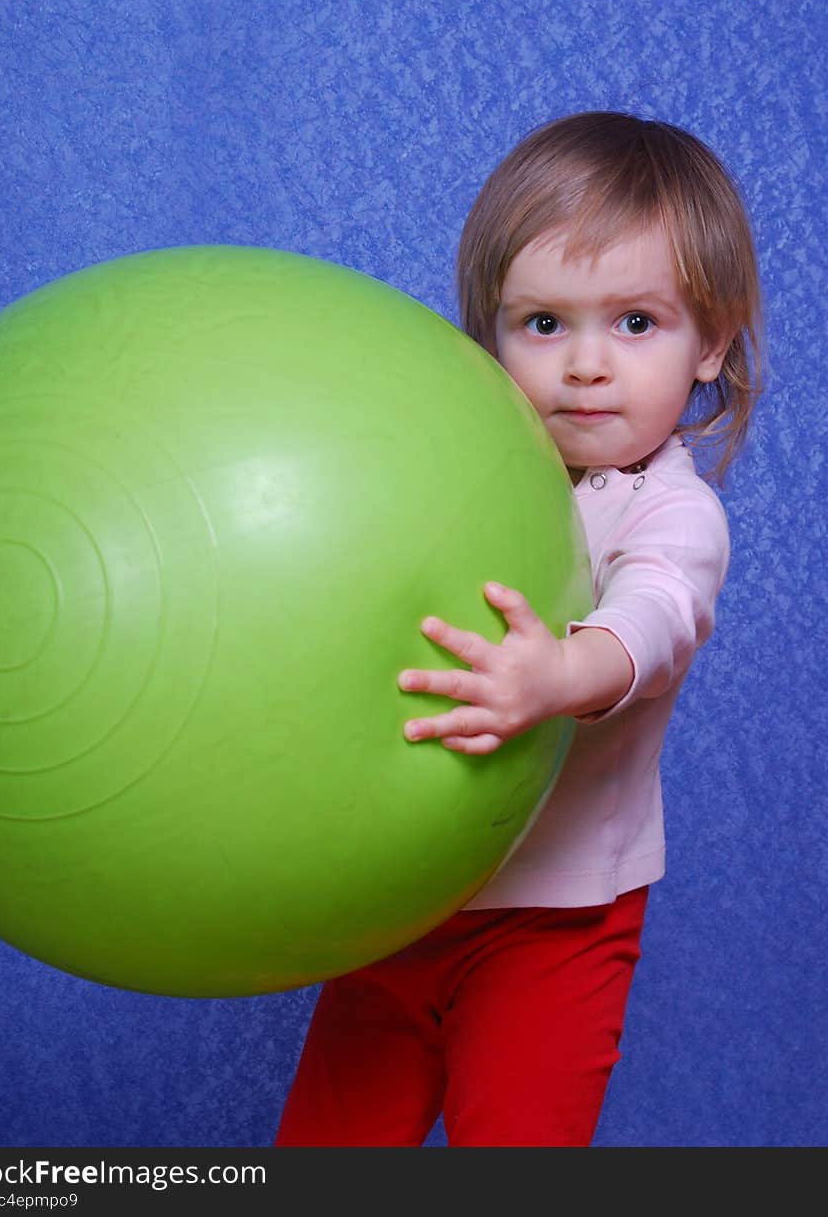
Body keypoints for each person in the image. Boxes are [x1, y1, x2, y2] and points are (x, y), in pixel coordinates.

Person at [275, 111, 763, 1147]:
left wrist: (560, 673)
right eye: (543, 323)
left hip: (560, 923)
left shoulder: (667, 512)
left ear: (710, 340)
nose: (585, 365)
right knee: (328, 1142)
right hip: (400, 895)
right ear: (489, 333)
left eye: (635, 323)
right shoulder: (461, 469)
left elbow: (656, 617)